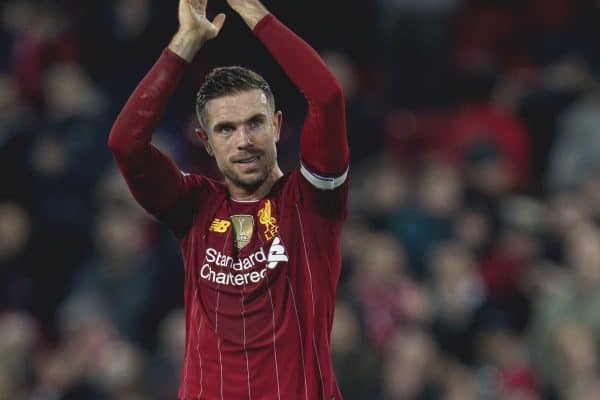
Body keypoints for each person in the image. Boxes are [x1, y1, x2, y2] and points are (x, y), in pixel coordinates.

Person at [107, 0, 349, 399]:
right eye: (226, 129)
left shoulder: (311, 201)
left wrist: (254, 12)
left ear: (277, 126)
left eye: (255, 123)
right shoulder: (194, 205)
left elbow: (327, 98)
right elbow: (125, 144)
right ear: (205, 141)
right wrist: (185, 43)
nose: (244, 141)